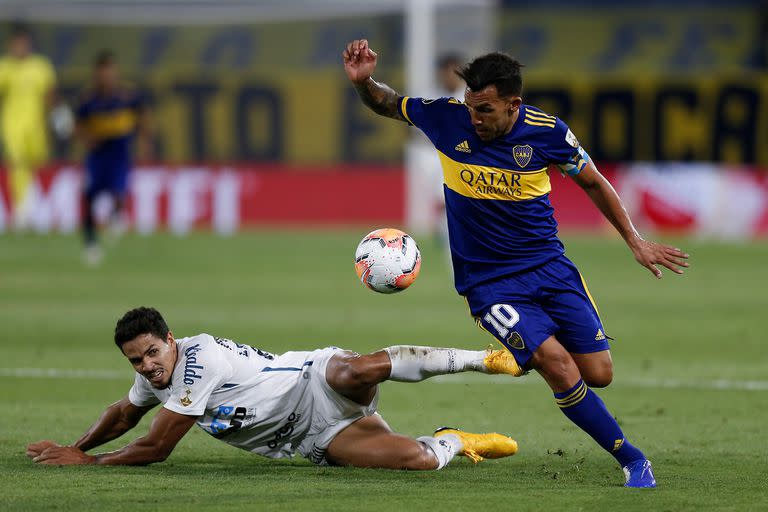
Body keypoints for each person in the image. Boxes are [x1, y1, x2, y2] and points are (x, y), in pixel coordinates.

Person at [343, 39, 691, 487]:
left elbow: (594, 182)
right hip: (490, 284)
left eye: (485, 109)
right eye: (471, 107)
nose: (475, 118)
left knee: (598, 374)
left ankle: (526, 351)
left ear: (513, 104)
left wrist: (635, 241)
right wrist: (363, 81)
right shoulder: (448, 119)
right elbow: (388, 103)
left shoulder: (547, 132)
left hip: (550, 268)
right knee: (557, 364)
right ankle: (632, 458)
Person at [26, 307, 520, 469]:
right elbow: (123, 415)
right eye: (137, 360)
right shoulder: (153, 377)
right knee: (420, 462)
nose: (148, 367)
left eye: (153, 353)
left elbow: (156, 446)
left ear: (170, 341)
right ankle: (457, 438)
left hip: (312, 380)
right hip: (308, 438)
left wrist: (90, 464)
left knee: (359, 371)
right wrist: (76, 446)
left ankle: (486, 359)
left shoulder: (198, 363)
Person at [75, 50, 150, 265]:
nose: (106, 76)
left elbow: (143, 116)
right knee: (89, 199)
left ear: (115, 72)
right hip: (97, 157)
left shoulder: (128, 97)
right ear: (96, 74)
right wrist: (86, 139)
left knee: (119, 193)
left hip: (119, 156)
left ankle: (116, 215)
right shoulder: (89, 100)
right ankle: (91, 244)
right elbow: (78, 126)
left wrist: (145, 140)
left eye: (109, 71)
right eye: (102, 72)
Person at [0, 22, 56, 230]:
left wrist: (58, 120)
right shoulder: (5, 66)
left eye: (24, 43)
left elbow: (50, 95)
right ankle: (21, 211)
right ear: (11, 45)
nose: (20, 47)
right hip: (12, 125)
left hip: (37, 125)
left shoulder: (41, 66)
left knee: (38, 163)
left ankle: (35, 207)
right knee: (17, 164)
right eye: (17, 44)